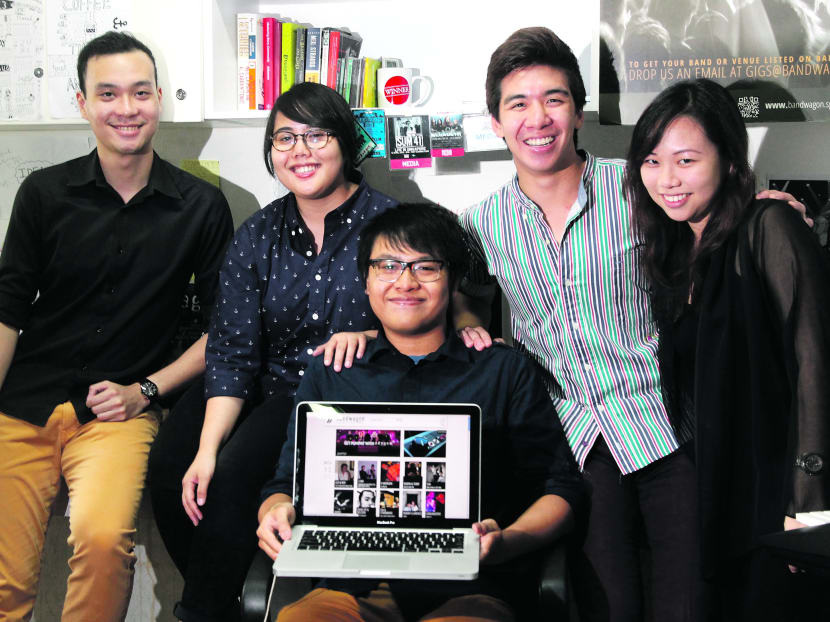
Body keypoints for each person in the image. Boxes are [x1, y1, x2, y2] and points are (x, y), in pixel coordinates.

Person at [455, 27, 807, 621]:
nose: (536, 118)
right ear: (495, 122)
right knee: (606, 608)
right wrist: (468, 317)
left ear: (580, 110)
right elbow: (463, 291)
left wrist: (762, 209)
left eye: (554, 99)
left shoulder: (638, 184)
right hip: (573, 444)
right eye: (517, 104)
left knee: (693, 603)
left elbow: (709, 215)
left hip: (669, 428)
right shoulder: (479, 222)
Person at [256, 202, 585, 622]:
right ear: (367, 281)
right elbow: (286, 483)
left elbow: (560, 488)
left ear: (453, 281)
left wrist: (508, 541)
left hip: (471, 588)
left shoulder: (501, 369)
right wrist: (276, 513)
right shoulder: (334, 369)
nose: (405, 282)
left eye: (425, 267)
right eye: (388, 266)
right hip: (351, 587)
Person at [0, 31, 233, 622]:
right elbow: (7, 308)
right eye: (108, 94)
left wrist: (146, 391)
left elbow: (225, 328)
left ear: (159, 99)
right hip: (24, 402)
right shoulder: (44, 193)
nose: (125, 109)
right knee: (4, 581)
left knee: (104, 542)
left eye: (139, 92)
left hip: (116, 412)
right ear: (83, 103)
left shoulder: (200, 206)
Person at [147, 81, 398, 622]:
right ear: (270, 153)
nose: (300, 151)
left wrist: (371, 336)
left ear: (346, 144)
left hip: (325, 395)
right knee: (174, 467)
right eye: (285, 138)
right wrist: (206, 446)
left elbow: (423, 317)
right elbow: (233, 351)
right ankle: (222, 595)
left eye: (317, 135)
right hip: (255, 380)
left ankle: (203, 610)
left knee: (233, 477)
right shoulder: (258, 232)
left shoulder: (388, 223)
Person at [625, 78, 830, 620]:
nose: (666, 179)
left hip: (778, 493)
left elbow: (815, 367)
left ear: (730, 158)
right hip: (715, 494)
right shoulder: (670, 251)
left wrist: (810, 508)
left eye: (686, 159)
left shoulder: (771, 226)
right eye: (651, 160)